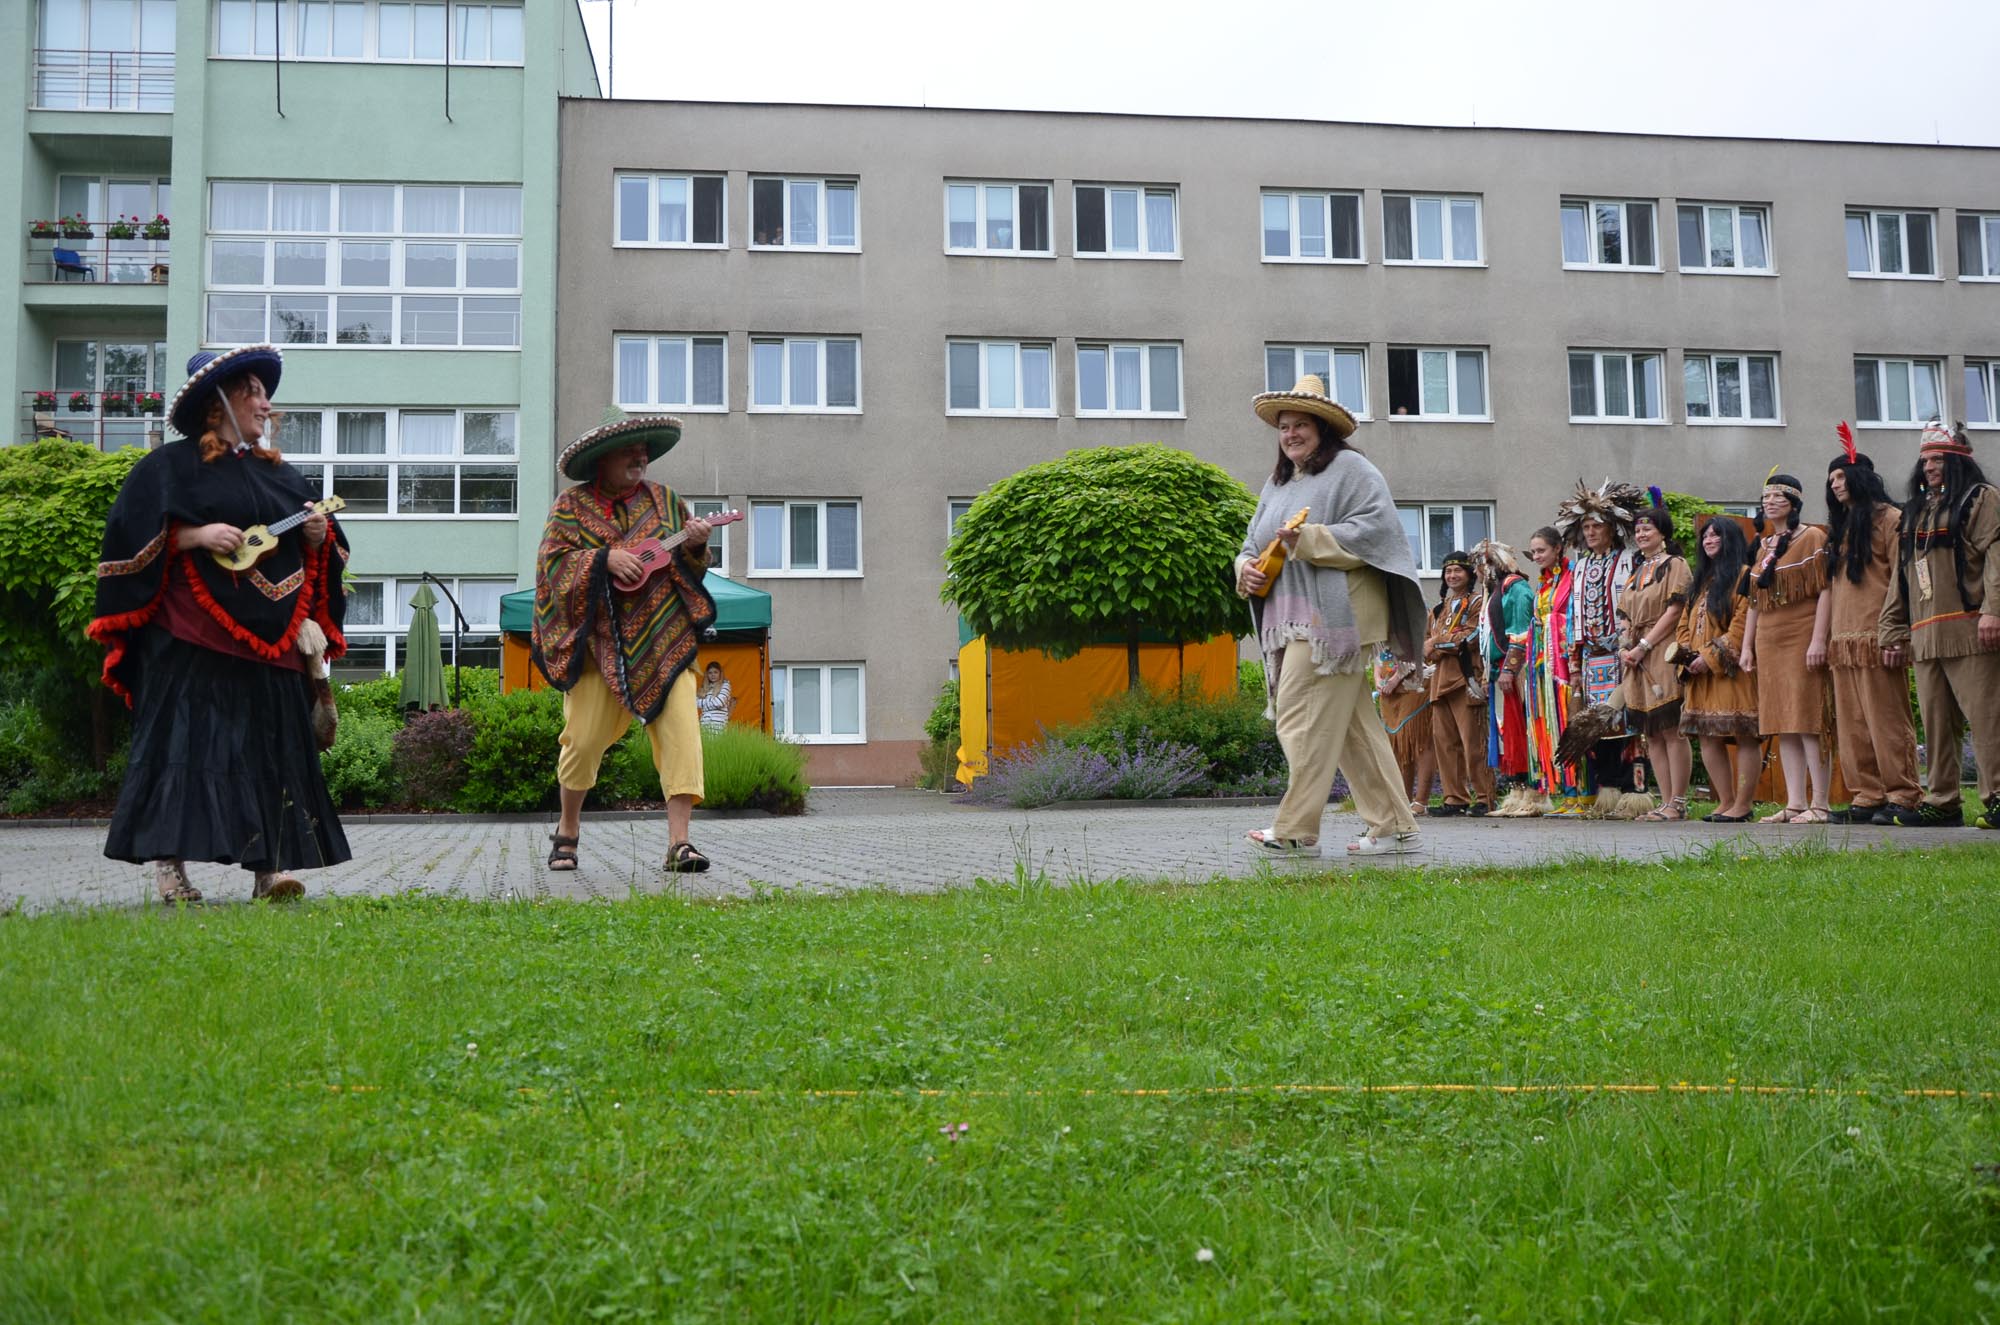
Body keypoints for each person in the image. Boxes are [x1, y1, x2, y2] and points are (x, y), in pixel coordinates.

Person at [87, 345, 351, 903]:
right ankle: (170, 870)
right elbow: (128, 540)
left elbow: (323, 551)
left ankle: (270, 870)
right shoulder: (167, 468)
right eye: (250, 390)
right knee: (184, 747)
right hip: (191, 638)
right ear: (217, 404)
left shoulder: (284, 476)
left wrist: (318, 539)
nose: (264, 401)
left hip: (272, 641)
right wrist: (195, 536)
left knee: (272, 749)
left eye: (263, 390)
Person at [1237, 374, 1429, 857]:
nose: (1291, 433)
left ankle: (1298, 830)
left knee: (1298, 716)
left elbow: (1378, 531)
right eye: (1284, 425)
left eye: (1302, 424)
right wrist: (1246, 571)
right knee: (1351, 730)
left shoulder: (1353, 469)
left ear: (1324, 429)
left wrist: (1310, 540)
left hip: (1339, 619)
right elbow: (1250, 545)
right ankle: (1394, 828)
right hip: (1292, 617)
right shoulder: (1278, 482)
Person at [534, 408, 717, 873]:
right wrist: (603, 560)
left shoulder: (666, 501)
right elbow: (552, 568)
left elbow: (691, 568)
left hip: (663, 638)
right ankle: (568, 829)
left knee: (683, 736)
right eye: (630, 451)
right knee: (583, 741)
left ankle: (680, 844)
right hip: (598, 646)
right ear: (603, 458)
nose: (641, 457)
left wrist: (696, 545)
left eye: (645, 452)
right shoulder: (570, 507)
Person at [1881, 420, 2000, 829]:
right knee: (1935, 722)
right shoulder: (1915, 510)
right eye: (1925, 460)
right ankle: (1944, 800)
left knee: (1987, 716)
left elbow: (1996, 557)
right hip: (1925, 634)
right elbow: (1903, 576)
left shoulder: (1980, 498)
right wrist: (1892, 629)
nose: (1930, 467)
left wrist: (1993, 610)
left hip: (1970, 627)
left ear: (1958, 460)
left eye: (1938, 459)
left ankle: (1997, 795)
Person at [1824, 430, 1921, 825]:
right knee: (1853, 724)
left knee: (1886, 720)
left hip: (1879, 635)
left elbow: (1903, 578)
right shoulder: (1843, 526)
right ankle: (1867, 793)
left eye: (1840, 477)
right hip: (1844, 640)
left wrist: (1898, 631)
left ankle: (1904, 793)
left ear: (1859, 477)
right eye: (1830, 481)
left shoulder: (1891, 519)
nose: (1834, 485)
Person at [1554, 479, 1648, 817]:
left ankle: (1635, 792)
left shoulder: (1630, 560)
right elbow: (1572, 620)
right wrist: (1575, 668)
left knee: (1629, 725)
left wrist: (1631, 645)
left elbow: (1639, 606)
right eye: (1587, 527)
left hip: (1624, 657)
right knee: (1598, 727)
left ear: (1613, 529)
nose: (1591, 533)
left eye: (1598, 526)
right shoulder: (1580, 567)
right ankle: (1607, 791)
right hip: (1593, 662)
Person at [1742, 470, 1832, 823]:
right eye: (1766, 498)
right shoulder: (1763, 546)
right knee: (1784, 721)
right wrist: (1747, 647)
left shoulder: (1811, 537)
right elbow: (1753, 602)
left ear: (1794, 503)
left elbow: (1826, 588)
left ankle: (1821, 804)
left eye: (1778, 497)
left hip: (1802, 633)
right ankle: (1795, 803)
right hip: (1770, 638)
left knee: (1809, 718)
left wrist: (1818, 639)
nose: (1770, 502)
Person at [1676, 516, 1762, 822]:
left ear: (1731, 540)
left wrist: (1710, 657)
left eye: (1717, 536)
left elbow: (1741, 627)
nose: (1709, 541)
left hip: (1731, 672)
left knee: (1744, 736)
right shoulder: (1701, 581)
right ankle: (1725, 801)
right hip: (1699, 674)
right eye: (1706, 537)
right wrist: (1688, 656)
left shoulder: (1744, 576)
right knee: (1707, 737)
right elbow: (1684, 625)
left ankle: (1744, 803)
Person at [1616, 496, 1692, 819]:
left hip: (1661, 648)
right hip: (1635, 655)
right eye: (1638, 529)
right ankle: (1663, 801)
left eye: (1649, 528)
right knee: (1652, 731)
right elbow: (1623, 614)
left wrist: (1644, 645)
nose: (1642, 534)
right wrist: (1623, 646)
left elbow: (1675, 610)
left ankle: (1678, 801)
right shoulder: (1636, 570)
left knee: (1671, 726)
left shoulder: (1674, 564)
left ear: (1663, 532)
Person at [1512, 525, 1583, 817]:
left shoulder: (1572, 577)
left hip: (1565, 664)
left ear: (1558, 549)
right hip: (1543, 665)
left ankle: (1583, 793)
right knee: (1552, 728)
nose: (1537, 555)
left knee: (1571, 724)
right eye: (1535, 551)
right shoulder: (1543, 583)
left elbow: (1572, 617)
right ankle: (1567, 793)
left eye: (1542, 550)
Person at [1424, 550, 1493, 815]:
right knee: (1445, 743)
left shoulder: (1478, 602)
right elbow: (1426, 648)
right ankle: (1455, 798)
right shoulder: (1439, 609)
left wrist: (1436, 643)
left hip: (1466, 679)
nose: (1452, 576)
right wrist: (1437, 644)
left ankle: (1485, 797)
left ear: (1469, 574)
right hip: (1440, 681)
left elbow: (1471, 637)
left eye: (1458, 571)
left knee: (1473, 743)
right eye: (1448, 572)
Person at [1471, 539, 1534, 814]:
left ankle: (1533, 794)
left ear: (1490, 566)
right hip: (1498, 673)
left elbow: (1521, 631)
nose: (1476, 573)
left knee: (1521, 730)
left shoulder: (1516, 589)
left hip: (1515, 674)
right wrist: (1489, 673)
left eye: (1478, 567)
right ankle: (1516, 793)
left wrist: (1510, 668)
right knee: (1505, 733)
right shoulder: (1496, 593)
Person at [1373, 645, 1435, 816]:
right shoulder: (1379, 622)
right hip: (1388, 690)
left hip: (1413, 683)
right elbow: (1378, 651)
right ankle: (1403, 799)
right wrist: (1377, 677)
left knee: (1419, 741)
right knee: (1399, 745)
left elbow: (1419, 649)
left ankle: (1421, 801)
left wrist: (1395, 679)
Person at [696, 661, 734, 731]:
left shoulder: (725, 685)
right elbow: (695, 703)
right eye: (710, 673)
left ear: (720, 673)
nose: (713, 675)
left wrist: (702, 703)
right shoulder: (703, 689)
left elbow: (719, 702)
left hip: (719, 726)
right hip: (704, 725)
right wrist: (712, 702)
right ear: (707, 674)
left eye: (715, 672)